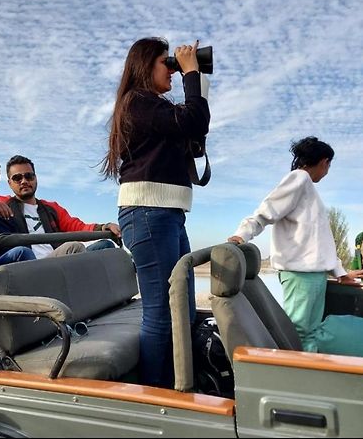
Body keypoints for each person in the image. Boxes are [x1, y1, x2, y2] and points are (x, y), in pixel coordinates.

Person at [100, 37, 211, 387]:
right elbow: (195, 119)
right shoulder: (137, 103)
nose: (174, 72)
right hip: (149, 214)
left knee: (184, 309)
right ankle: (154, 392)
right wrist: (191, 70)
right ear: (145, 65)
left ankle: (182, 381)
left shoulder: (152, 107)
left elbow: (194, 122)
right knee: (161, 313)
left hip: (168, 214)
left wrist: (196, 73)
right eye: (168, 63)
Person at [228, 136, 363, 352]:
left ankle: (311, 375)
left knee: (310, 332)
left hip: (313, 275)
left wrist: (340, 272)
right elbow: (266, 211)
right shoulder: (298, 179)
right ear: (324, 162)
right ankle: (293, 377)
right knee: (299, 331)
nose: (327, 172)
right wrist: (242, 235)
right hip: (301, 275)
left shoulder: (308, 188)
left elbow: (319, 240)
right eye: (328, 166)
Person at [0, 155, 121, 259]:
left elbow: (77, 227)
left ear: (35, 178)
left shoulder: (51, 208)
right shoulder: (3, 204)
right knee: (74, 248)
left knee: (106, 246)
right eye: (17, 178)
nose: (24, 181)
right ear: (9, 183)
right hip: (28, 261)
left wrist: (104, 227)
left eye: (29, 176)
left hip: (57, 258)